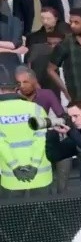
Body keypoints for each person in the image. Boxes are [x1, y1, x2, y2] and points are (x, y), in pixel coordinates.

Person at [0, 66, 53, 197]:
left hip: (12, 178)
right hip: (41, 176)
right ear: (16, 88)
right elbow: (41, 140)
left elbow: (2, 144)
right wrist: (34, 166)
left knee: (14, 211)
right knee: (44, 211)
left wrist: (15, 167)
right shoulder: (36, 109)